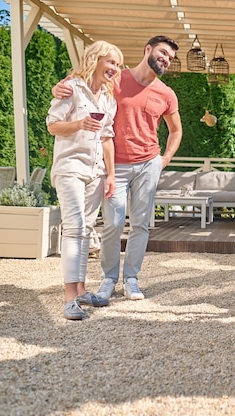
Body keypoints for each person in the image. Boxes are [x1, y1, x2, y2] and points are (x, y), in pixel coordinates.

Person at [52, 35, 183, 301]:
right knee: (112, 222)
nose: (166, 59)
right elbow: (85, 83)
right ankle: (109, 279)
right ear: (148, 49)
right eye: (162, 53)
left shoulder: (166, 93)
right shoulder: (116, 78)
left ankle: (132, 279)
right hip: (116, 166)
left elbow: (176, 130)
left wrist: (164, 159)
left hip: (148, 164)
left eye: (170, 57)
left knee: (141, 225)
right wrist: (60, 86)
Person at [46, 41, 123, 320]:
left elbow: (106, 138)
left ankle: (80, 290)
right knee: (74, 226)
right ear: (94, 59)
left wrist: (111, 174)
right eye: (110, 62)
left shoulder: (108, 98)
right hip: (70, 167)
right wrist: (79, 123)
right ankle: (69, 297)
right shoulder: (71, 87)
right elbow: (53, 125)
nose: (114, 68)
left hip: (96, 171)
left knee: (87, 228)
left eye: (117, 64)